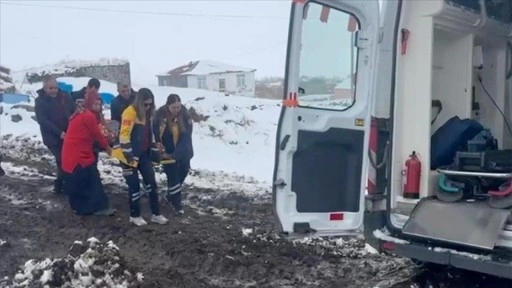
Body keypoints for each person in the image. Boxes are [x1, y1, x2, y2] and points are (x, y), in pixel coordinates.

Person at [119, 88, 168, 226]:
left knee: (151, 183)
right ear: (139, 102)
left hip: (144, 154)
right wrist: (128, 154)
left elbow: (150, 134)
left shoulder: (149, 115)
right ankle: (134, 215)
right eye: (145, 104)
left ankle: (156, 214)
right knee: (134, 186)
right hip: (129, 155)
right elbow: (124, 134)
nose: (147, 107)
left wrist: (154, 151)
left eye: (150, 105)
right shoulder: (130, 112)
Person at [61, 91, 115, 216]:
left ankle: (80, 206)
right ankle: (96, 207)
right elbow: (97, 134)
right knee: (91, 179)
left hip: (74, 153)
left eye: (99, 104)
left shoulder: (81, 114)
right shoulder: (88, 116)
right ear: (89, 103)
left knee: (83, 181)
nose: (98, 106)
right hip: (78, 155)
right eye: (95, 104)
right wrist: (107, 147)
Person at [153, 94, 194, 215]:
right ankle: (176, 204)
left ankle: (170, 195)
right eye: (173, 107)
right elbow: (156, 133)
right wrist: (160, 148)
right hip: (166, 150)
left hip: (183, 150)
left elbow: (186, 138)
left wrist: (176, 155)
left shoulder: (185, 116)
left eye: (178, 107)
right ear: (168, 106)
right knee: (173, 176)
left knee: (183, 171)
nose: (176, 110)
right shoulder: (159, 116)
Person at [35, 76, 75, 194]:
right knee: (61, 159)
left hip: (68, 133)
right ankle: (61, 185)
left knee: (69, 159)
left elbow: (73, 111)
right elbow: (43, 120)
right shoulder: (40, 101)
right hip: (52, 137)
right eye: (50, 88)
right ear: (45, 88)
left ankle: (64, 183)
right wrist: (59, 133)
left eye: (55, 88)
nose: (53, 90)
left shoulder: (65, 96)